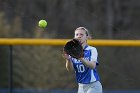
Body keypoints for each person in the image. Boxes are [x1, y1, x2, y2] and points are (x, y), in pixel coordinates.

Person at [62, 27, 102, 93]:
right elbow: (70, 69)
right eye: (77, 34)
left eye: (81, 34)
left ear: (86, 37)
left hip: (93, 85)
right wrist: (68, 59)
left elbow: (92, 66)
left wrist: (80, 58)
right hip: (81, 87)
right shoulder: (73, 51)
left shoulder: (91, 50)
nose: (79, 36)